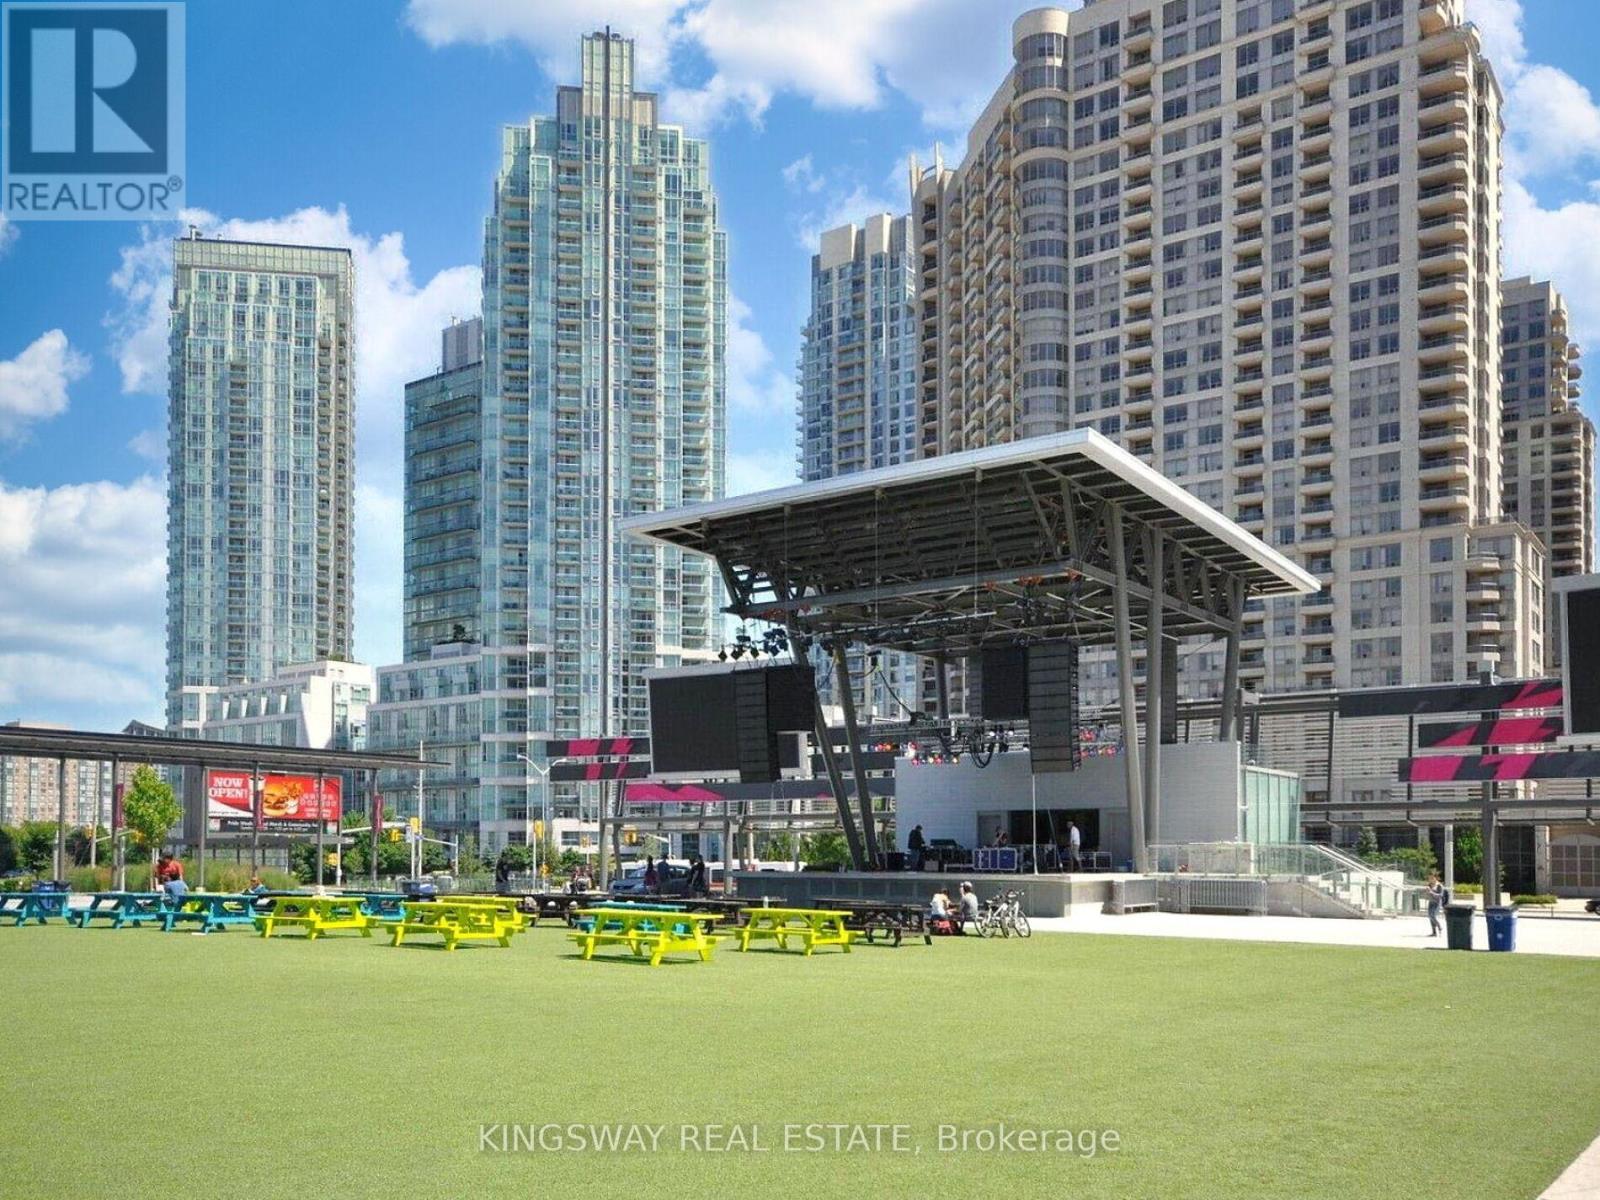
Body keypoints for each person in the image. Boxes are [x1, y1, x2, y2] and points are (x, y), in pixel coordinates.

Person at [1425, 871, 1446, 938]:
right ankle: (1434, 932)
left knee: (1433, 916)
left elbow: (1440, 895)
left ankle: (1440, 927)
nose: (1430, 880)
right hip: (1431, 902)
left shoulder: (1439, 886)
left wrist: (1431, 892)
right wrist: (1427, 892)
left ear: (1435, 878)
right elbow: (1428, 894)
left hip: (1437, 903)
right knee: (1430, 917)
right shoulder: (1429, 885)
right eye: (1429, 878)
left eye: (1431, 878)